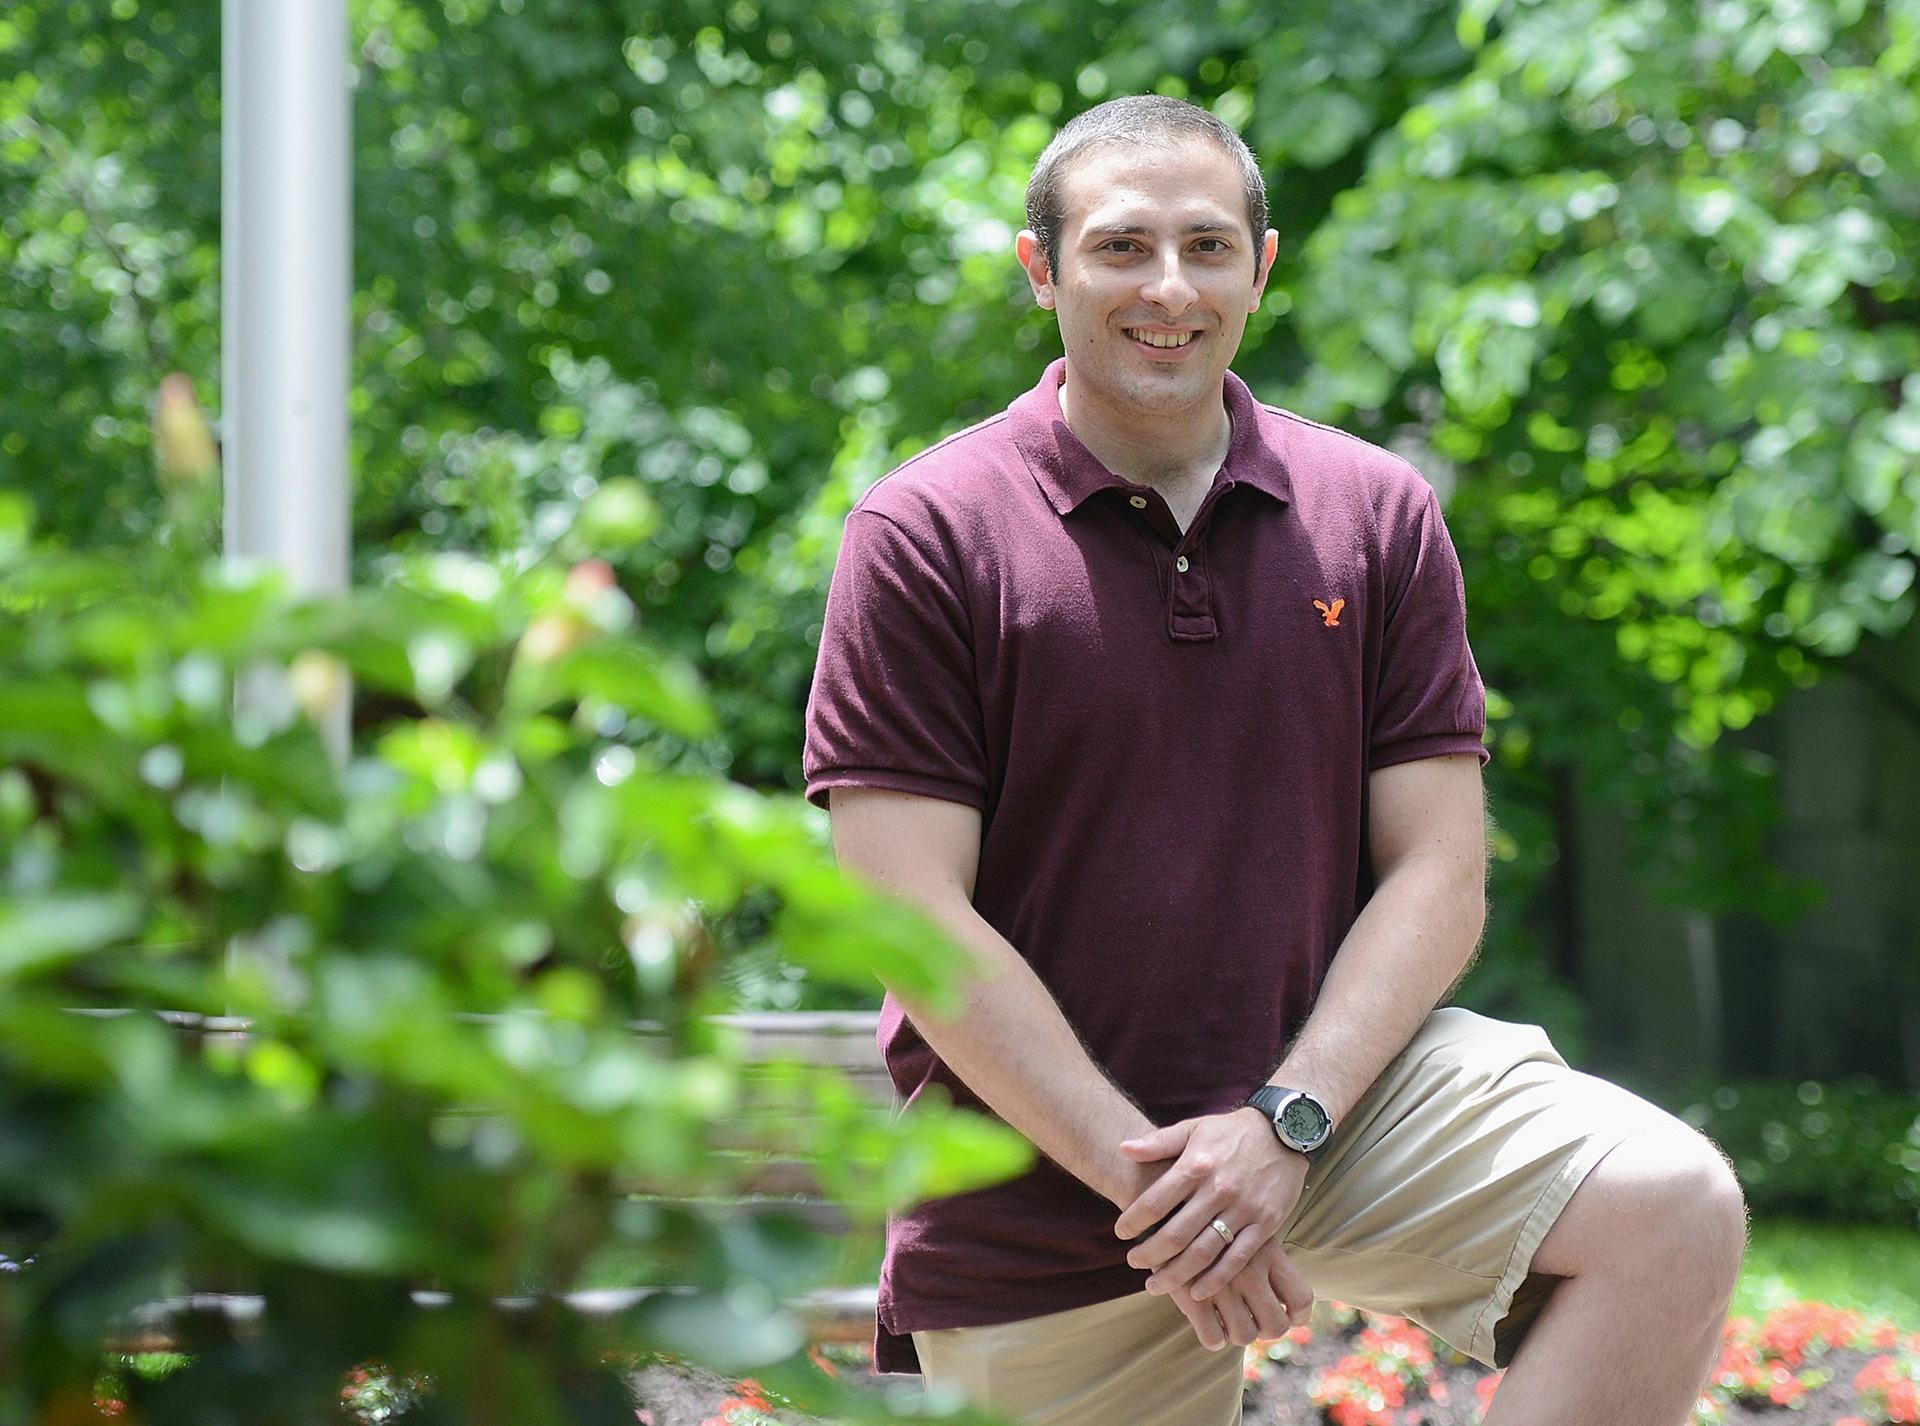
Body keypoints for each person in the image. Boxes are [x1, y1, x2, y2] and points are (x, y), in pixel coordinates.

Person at [801, 94, 1746, 1426]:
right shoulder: (924, 532)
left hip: (1332, 1111)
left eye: (1207, 246)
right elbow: (912, 916)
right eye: (1122, 248)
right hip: (1045, 1191)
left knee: (1674, 1207)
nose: (1169, 288)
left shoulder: (1374, 512)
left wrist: (1282, 1129)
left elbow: (1439, 870)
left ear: (1263, 266)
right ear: (1041, 269)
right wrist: (1170, 1195)